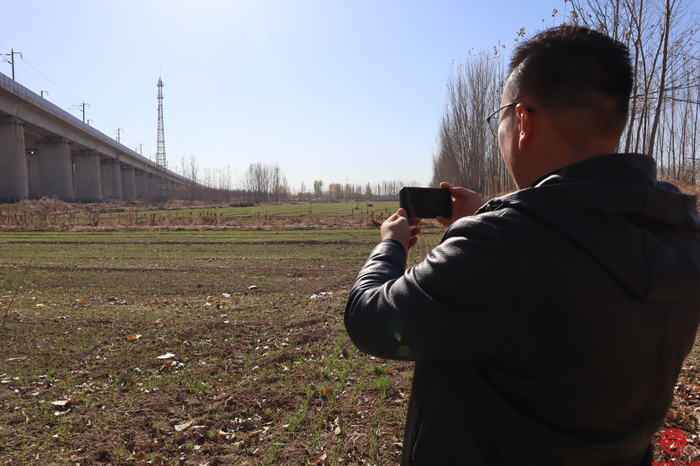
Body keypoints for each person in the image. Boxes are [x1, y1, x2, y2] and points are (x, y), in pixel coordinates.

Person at [344, 25, 700, 465]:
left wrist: (391, 246)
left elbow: (369, 319)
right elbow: (567, 256)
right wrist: (493, 214)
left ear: (524, 120)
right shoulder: (680, 232)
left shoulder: (500, 248)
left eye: (500, 119)